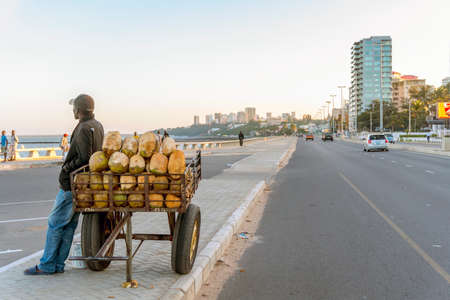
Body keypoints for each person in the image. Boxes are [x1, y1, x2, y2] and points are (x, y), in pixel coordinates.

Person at [24, 94, 104, 275]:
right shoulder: (97, 125)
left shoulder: (84, 128)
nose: (73, 111)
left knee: (55, 223)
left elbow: (85, 158)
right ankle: (58, 265)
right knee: (69, 225)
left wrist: (67, 167)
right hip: (85, 183)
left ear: (78, 110)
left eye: (74, 108)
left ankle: (47, 265)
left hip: (73, 183)